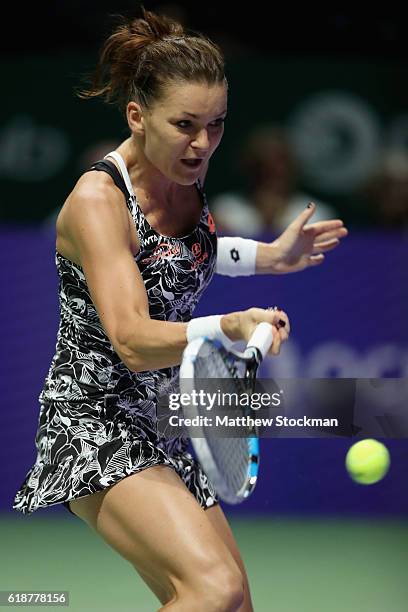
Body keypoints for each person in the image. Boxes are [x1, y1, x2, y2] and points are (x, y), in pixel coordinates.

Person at [13, 8, 347, 611]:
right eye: (185, 124)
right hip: (93, 426)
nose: (202, 143)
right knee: (211, 589)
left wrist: (268, 256)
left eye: (216, 124)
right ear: (137, 117)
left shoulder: (181, 176)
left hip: (158, 424)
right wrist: (229, 325)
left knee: (235, 602)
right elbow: (133, 340)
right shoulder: (98, 200)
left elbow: (182, 253)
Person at [211, 124, 338, 237]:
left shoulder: (317, 215)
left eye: (280, 162)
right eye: (261, 165)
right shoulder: (225, 211)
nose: (273, 169)